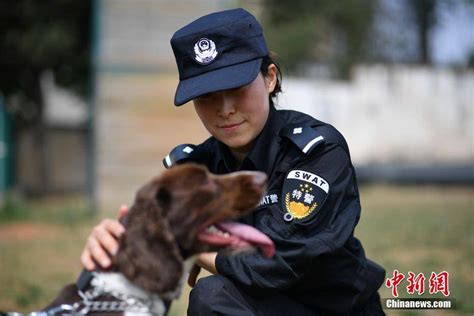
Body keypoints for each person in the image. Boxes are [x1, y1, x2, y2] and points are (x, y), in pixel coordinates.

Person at [81, 8, 386, 315]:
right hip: (253, 307)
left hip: (337, 310)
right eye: (207, 96)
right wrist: (113, 245)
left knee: (213, 293)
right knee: (213, 295)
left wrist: (185, 244)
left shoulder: (316, 151)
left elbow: (281, 260)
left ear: (269, 78)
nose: (225, 109)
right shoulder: (194, 168)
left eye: (236, 89)